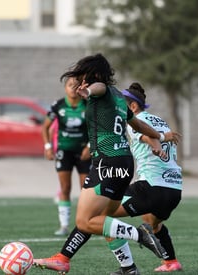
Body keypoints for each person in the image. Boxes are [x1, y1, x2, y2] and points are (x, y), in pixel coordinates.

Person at [34, 53, 181, 274]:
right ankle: (126, 268)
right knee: (103, 220)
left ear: (93, 76)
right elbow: (139, 126)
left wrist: (89, 90)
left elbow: (99, 87)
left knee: (85, 221)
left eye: (83, 77)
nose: (80, 82)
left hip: (107, 162)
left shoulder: (99, 90)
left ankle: (141, 235)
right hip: (123, 163)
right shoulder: (119, 99)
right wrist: (160, 137)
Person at [107, 82, 183, 274]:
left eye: (121, 104)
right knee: (152, 221)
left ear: (132, 106)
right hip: (174, 189)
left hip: (151, 185)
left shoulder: (135, 120)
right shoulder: (160, 121)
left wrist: (156, 144)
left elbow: (147, 136)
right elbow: (159, 137)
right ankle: (171, 262)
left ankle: (128, 266)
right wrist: (161, 142)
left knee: (101, 215)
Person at [42, 77, 91, 236]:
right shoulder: (58, 105)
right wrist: (48, 147)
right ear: (65, 88)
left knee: (86, 189)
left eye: (76, 86)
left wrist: (89, 147)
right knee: (65, 188)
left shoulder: (88, 104)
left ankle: (85, 223)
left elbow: (96, 127)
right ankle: (64, 226)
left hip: (83, 152)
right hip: (64, 151)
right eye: (70, 85)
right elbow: (45, 127)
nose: (73, 88)